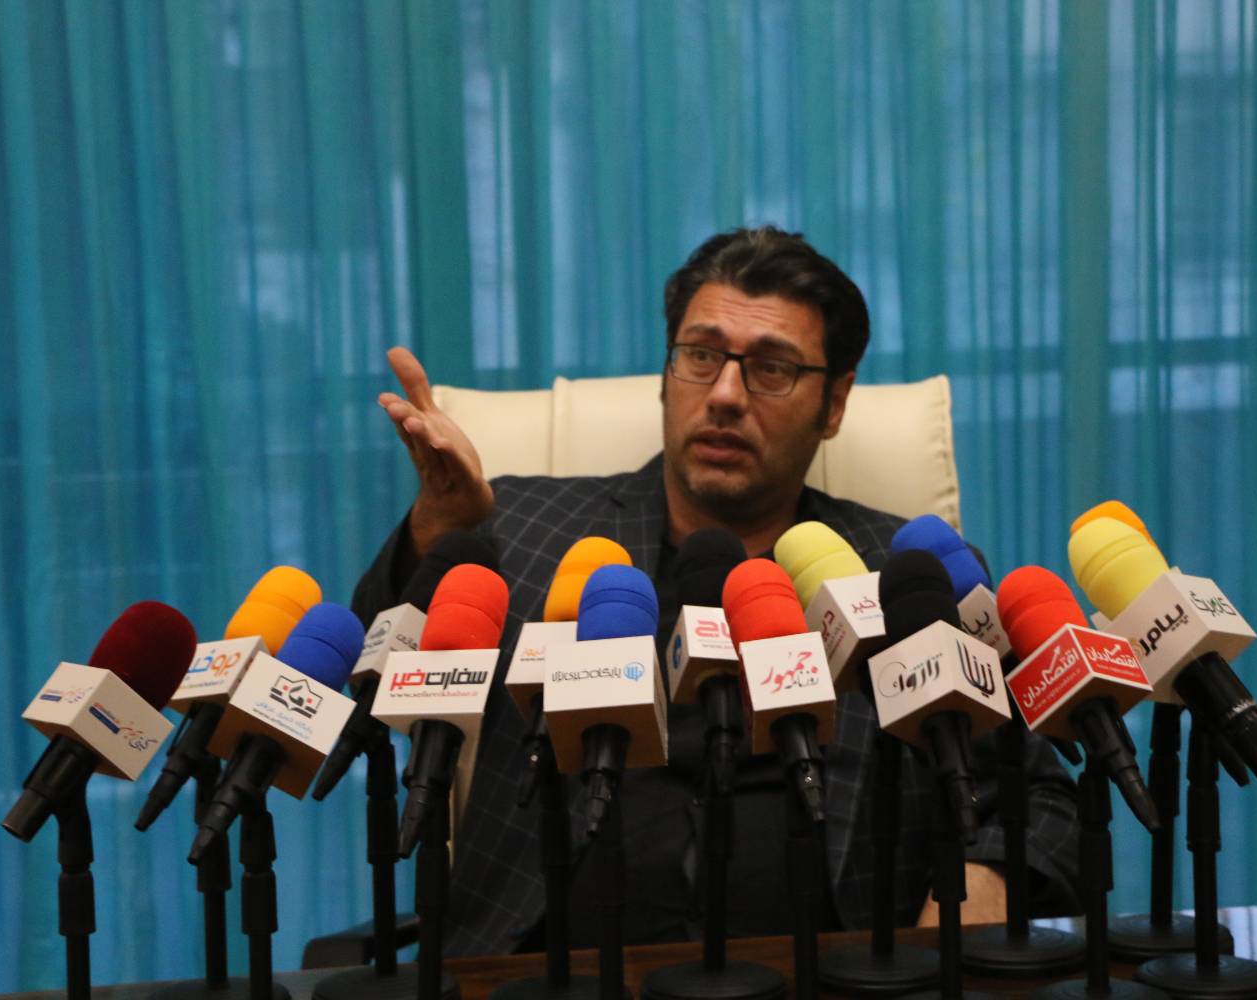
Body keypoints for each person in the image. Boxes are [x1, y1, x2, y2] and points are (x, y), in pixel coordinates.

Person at [352, 226, 1080, 956]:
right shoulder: (521, 527)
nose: (726, 395)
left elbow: (1040, 798)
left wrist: (971, 898)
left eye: (772, 368)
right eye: (701, 356)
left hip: (834, 972)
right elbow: (365, 690)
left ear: (834, 404)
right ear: (666, 376)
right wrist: (435, 528)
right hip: (544, 972)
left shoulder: (906, 573)